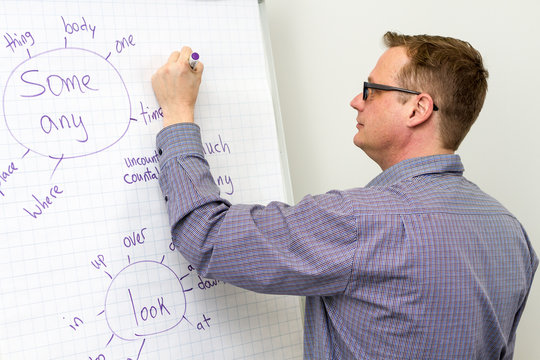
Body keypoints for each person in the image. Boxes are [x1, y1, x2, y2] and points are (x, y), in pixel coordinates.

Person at [151, 32, 538, 359]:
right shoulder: (511, 232)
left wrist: (178, 111)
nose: (357, 100)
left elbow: (207, 236)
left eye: (372, 89)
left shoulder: (358, 221)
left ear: (418, 109)